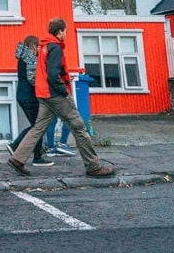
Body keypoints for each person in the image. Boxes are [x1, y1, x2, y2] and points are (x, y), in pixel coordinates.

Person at [6, 17, 114, 178]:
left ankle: (17, 159)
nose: (66, 34)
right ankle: (93, 166)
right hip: (55, 94)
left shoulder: (43, 47)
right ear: (60, 31)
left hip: (43, 94)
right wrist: (63, 90)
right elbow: (52, 73)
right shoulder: (55, 48)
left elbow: (44, 71)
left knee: (38, 127)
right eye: (65, 31)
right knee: (79, 127)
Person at [6, 36, 53, 167]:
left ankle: (37, 156)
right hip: (30, 97)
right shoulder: (31, 58)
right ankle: (16, 146)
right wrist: (46, 87)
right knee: (38, 126)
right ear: (33, 45)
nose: (40, 48)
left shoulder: (23, 57)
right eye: (38, 45)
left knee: (37, 126)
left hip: (23, 96)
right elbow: (33, 79)